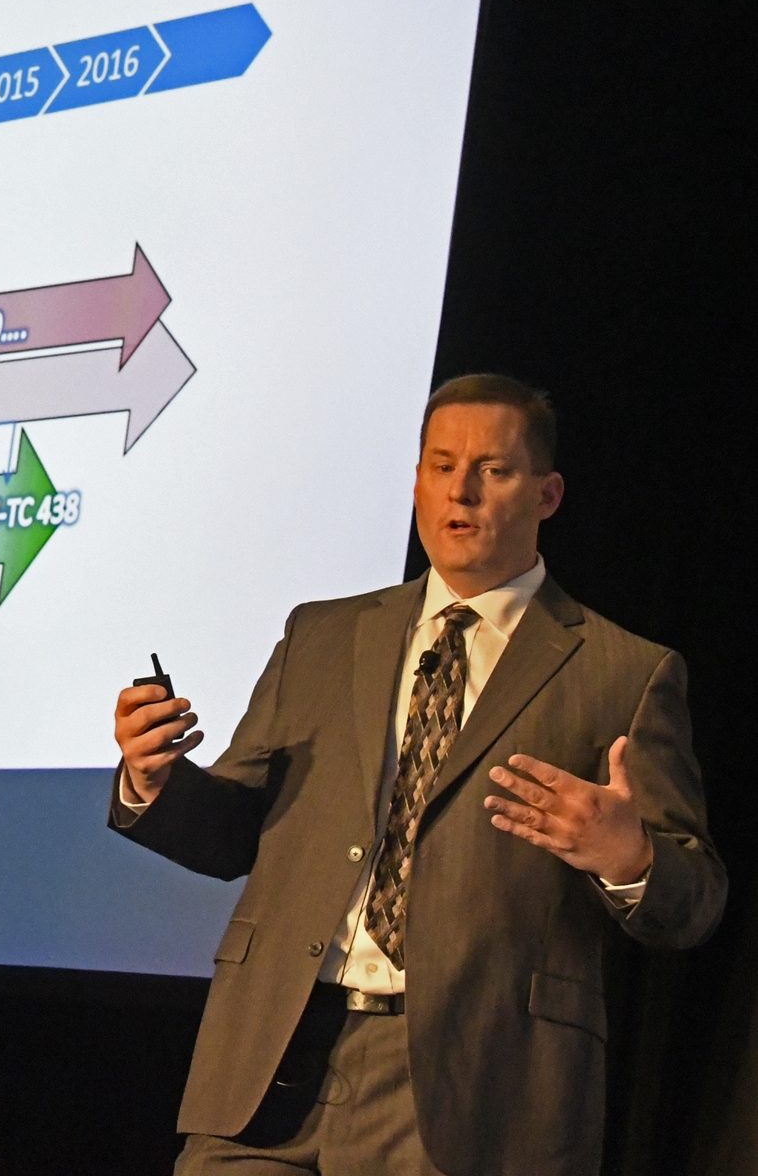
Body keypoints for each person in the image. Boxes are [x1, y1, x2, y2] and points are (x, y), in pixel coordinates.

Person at [110, 374, 725, 1176]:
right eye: (441, 467)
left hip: (473, 1086)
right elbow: (234, 835)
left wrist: (628, 857)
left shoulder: (624, 673)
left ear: (547, 494)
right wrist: (154, 780)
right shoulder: (322, 637)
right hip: (274, 1058)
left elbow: (695, 903)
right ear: (416, 483)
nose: (460, 491)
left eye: (492, 470)